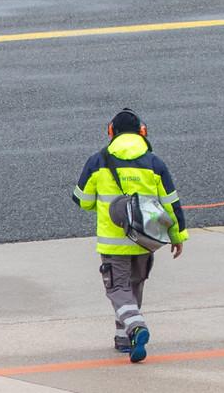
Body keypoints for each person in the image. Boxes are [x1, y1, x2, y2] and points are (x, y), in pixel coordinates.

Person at [72, 109, 186, 363]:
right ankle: (124, 339)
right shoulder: (154, 162)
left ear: (111, 132)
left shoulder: (98, 160)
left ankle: (136, 328)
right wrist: (177, 236)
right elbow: (171, 203)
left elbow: (82, 199)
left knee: (117, 289)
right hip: (145, 239)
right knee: (135, 286)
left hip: (113, 243)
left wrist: (103, 203)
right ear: (142, 132)